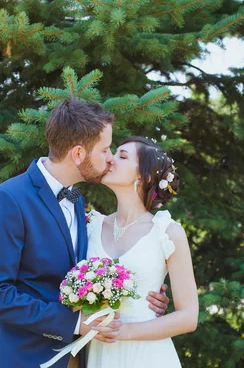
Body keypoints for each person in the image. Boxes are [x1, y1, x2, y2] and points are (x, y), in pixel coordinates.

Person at [0, 99, 170, 368]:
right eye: (105, 149)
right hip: (19, 357)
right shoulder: (8, 200)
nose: (110, 158)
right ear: (78, 154)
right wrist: (75, 323)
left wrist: (145, 298)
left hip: (74, 358)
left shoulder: (75, 200)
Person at [85, 136, 199, 368]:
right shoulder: (90, 227)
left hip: (146, 355)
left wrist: (124, 331)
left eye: (122, 156)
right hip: (98, 354)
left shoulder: (167, 232)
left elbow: (188, 317)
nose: (110, 159)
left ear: (144, 176)